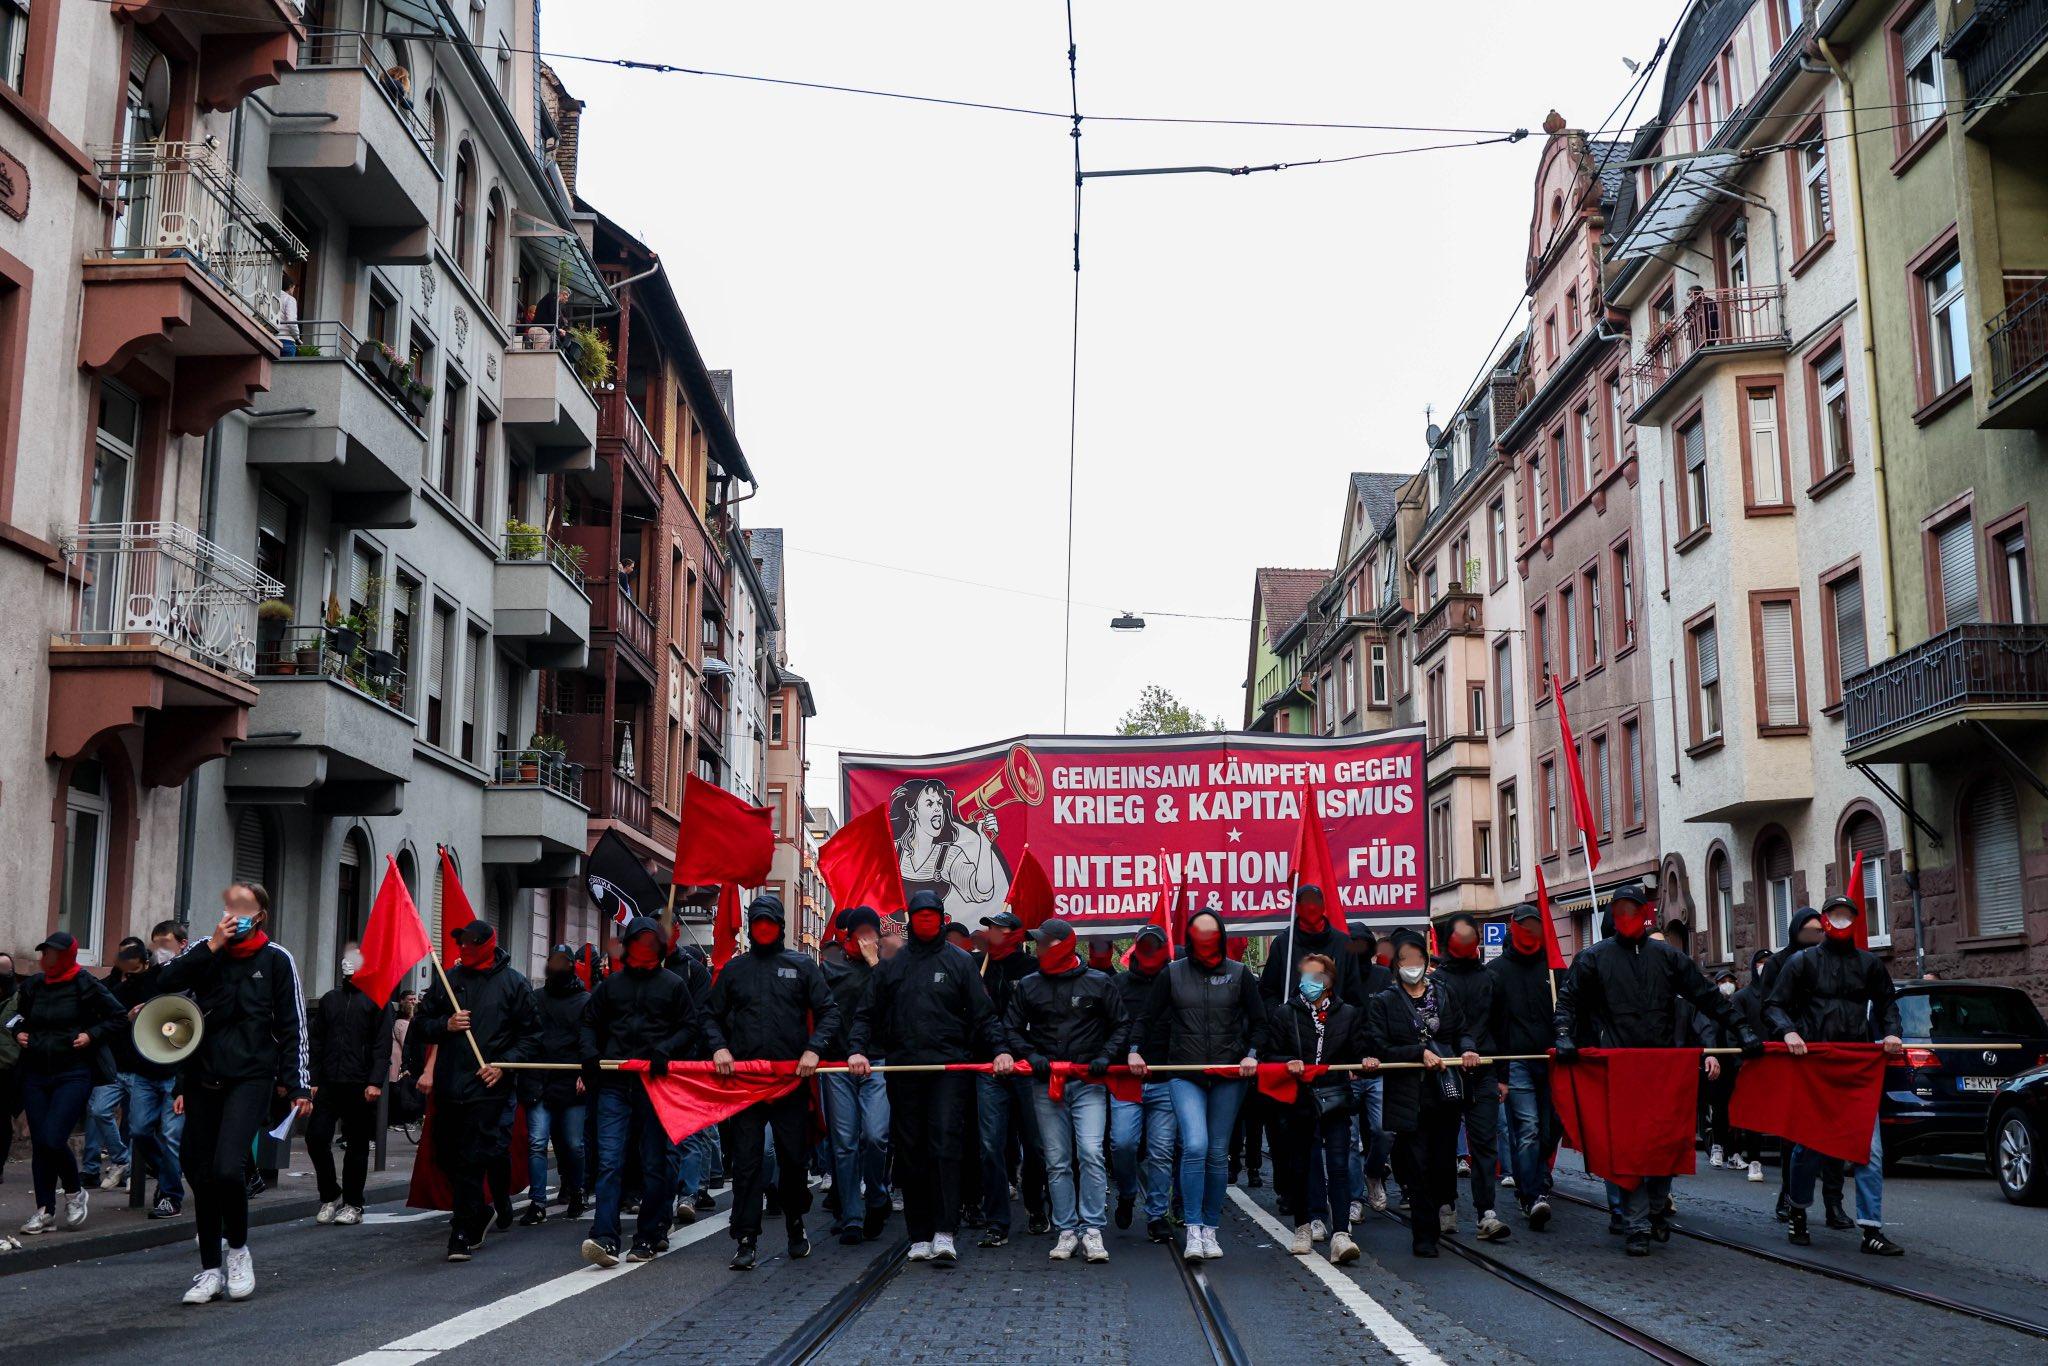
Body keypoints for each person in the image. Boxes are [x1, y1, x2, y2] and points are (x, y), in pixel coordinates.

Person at [1553, 883, 1759, 1256]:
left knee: (1663, 1145)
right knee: (1631, 1148)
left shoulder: (1667, 957)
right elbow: (1568, 1000)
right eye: (1622, 911)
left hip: (1664, 1067)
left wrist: (1741, 1027)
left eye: (1635, 910)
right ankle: (1636, 1224)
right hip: (1622, 1067)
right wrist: (1565, 1035)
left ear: (1644, 915)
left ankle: (1657, 1207)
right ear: (1614, 917)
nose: (1629, 918)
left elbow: (1705, 995)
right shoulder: (1594, 959)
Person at [155, 886, 311, 1303]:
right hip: (205, 1077)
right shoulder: (208, 952)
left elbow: (294, 1024)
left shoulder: (277, 959)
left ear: (260, 914)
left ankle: (238, 1250)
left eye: (244, 909)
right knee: (200, 1170)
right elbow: (164, 983)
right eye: (230, 906)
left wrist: (298, 1083)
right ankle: (209, 1270)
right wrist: (212, 946)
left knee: (228, 1168)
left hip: (251, 1078)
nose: (235, 914)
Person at [846, 889, 1014, 1266]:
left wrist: (1001, 1049)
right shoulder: (892, 965)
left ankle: (945, 1231)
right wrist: (857, 1048)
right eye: (918, 917)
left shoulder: (959, 962)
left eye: (931, 916)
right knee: (910, 1151)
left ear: (939, 919)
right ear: (911, 921)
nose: (925, 922)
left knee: (945, 1146)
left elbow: (983, 1014)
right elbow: (866, 1013)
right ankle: (918, 1234)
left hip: (948, 1071)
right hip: (905, 1070)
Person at [1765, 894, 1905, 1256]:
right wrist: (1788, 1032)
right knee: (1808, 1147)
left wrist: (1892, 1032)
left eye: (1847, 916)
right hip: (1817, 1066)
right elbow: (1774, 1005)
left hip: (1858, 1068)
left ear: (1855, 921)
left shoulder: (1870, 964)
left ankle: (1872, 1228)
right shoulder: (1802, 962)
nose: (1841, 921)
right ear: (1825, 920)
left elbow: (1888, 1003)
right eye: (1835, 915)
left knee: (1869, 1151)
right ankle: (1798, 1209)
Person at [704, 894, 837, 1271]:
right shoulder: (735, 970)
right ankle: (745, 1237)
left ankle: (796, 1223)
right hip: (746, 1082)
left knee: (793, 1160)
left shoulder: (802, 966)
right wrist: (719, 1049)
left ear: (780, 926)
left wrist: (814, 1050)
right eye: (758, 922)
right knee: (747, 1162)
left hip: (790, 1082)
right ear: (751, 925)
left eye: (770, 923)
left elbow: (829, 1012)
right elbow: (710, 1016)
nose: (764, 929)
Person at [1136, 908, 1267, 1265]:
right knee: (1195, 1144)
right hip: (1185, 1071)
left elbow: (1259, 1021)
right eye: (1200, 935)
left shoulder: (1240, 974)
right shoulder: (1173, 973)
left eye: (1212, 935)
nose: (1207, 943)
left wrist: (1252, 1053)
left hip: (1228, 1074)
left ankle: (1210, 1226)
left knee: (1216, 1152)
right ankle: (1193, 1226)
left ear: (1221, 937)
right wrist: (1135, 1051)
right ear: (1191, 938)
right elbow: (1147, 1017)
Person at [1003, 919, 1129, 1264]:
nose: (1038, 949)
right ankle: (1066, 1229)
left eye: (1044, 943)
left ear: (1062, 945)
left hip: (1087, 1082)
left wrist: (1104, 1056)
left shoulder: (1099, 982)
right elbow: (1011, 1027)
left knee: (1090, 1151)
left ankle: (1092, 1228)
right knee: (1056, 1159)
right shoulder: (1029, 985)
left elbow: (1121, 1024)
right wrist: (1033, 1056)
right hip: (1046, 1083)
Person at [415, 919, 540, 1262]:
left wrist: (504, 1064)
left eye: (471, 942)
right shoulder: (448, 982)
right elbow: (421, 1024)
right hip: (449, 1085)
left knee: (471, 1156)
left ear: (486, 943)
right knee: (446, 1155)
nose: (464, 948)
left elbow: (532, 1036)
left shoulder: (514, 984)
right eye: (460, 942)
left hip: (488, 1086)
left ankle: (461, 1230)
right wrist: (445, 1024)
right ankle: (479, 1211)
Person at [580, 915, 700, 1268]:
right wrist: (589, 1053)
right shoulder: (610, 987)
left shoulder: (674, 985)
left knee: (654, 1162)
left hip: (656, 1085)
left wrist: (667, 1049)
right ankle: (605, 1235)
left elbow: (689, 1027)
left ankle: (649, 1233)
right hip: (616, 1083)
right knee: (609, 1160)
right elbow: (590, 1023)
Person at [10, 932, 126, 1236]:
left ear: (66, 956)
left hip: (73, 1072)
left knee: (52, 1137)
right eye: (43, 953)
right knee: (42, 1144)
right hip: (36, 1071)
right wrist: (19, 1032)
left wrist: (91, 1035)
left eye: (51, 954)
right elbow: (17, 1017)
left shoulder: (85, 983)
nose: (44, 958)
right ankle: (45, 1211)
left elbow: (118, 1017)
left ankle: (74, 1192)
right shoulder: (34, 985)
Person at [1370, 929, 1473, 1258]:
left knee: (1443, 1163)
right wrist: (1417, 1053)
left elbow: (1461, 1031)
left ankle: (1444, 1203)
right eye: (1404, 959)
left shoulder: (1445, 994)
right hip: (1407, 1095)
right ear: (1395, 965)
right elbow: (1380, 1046)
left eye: (1417, 958)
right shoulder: (1383, 1002)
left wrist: (1468, 1050)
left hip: (1444, 1092)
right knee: (1417, 1164)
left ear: (1426, 961)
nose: (1411, 965)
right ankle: (1424, 1234)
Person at [1271, 952, 1367, 1266]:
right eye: (1304, 974)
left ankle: (1341, 1233)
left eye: (1315, 975)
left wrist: (1366, 1061)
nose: (1308, 981)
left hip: (1336, 1096)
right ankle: (1303, 1226)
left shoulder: (1348, 1014)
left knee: (1338, 1164)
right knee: (1300, 1163)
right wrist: (1287, 1062)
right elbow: (1270, 1054)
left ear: (1328, 979)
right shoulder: (1286, 1013)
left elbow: (1358, 1051)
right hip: (1299, 1098)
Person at [306, 943, 394, 1228]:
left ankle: (354, 1202)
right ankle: (330, 1194)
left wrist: (374, 1081)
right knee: (316, 1138)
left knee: (356, 1144)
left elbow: (383, 1045)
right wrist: (314, 1078)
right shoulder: (330, 1000)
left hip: (360, 1084)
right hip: (330, 1083)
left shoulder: (376, 1001)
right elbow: (316, 1042)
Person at [1431, 912, 1507, 1242]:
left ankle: (1485, 1211)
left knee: (1484, 1142)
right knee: (1445, 1142)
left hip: (1485, 1069)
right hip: (1447, 1070)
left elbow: (1500, 1026)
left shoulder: (1490, 979)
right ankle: (1446, 1203)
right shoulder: (1436, 982)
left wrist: (1502, 1075)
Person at [973, 908, 1047, 1245]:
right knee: (990, 1145)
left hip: (1026, 1067)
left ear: (1016, 934)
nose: (992, 933)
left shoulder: (1033, 970)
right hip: (988, 1066)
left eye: (1000, 928)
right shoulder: (976, 967)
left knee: (1035, 1143)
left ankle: (1035, 1205)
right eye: (989, 928)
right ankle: (997, 1220)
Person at [1489, 903, 1563, 1229]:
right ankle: (1532, 1194)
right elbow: (1491, 1023)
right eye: (1525, 926)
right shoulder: (1497, 972)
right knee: (1528, 1128)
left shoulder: (1553, 969)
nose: (1530, 931)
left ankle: (1537, 1178)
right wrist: (1498, 1073)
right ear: (1513, 928)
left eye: (1536, 925)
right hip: (1515, 1060)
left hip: (1550, 1060)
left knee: (1550, 1128)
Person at [820, 906, 891, 1245]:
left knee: (876, 1135)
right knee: (845, 1144)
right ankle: (851, 1215)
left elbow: (896, 1006)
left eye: (871, 932)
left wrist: (877, 964)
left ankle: (877, 1194)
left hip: (877, 1062)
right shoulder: (829, 971)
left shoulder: (887, 971)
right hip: (837, 1066)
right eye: (859, 932)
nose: (865, 939)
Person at [1109, 924, 1178, 1243]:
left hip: (1165, 1078)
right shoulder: (1118, 984)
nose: (1151, 952)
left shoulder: (1177, 982)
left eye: (1156, 946)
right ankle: (1127, 1192)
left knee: (1162, 1150)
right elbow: (1107, 1025)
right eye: (1145, 946)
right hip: (1126, 1079)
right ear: (1136, 948)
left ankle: (1156, 1214)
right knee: (1122, 1144)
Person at [106, 939, 185, 1218]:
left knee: (172, 1137)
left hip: (175, 1076)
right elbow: (111, 1020)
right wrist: (128, 1018)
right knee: (139, 1131)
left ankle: (170, 1195)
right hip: (145, 1073)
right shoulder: (128, 987)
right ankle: (169, 1179)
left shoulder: (176, 983)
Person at [521, 946, 589, 1226]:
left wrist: (586, 1072)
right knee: (537, 1143)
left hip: (572, 1082)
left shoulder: (585, 1001)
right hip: (539, 1080)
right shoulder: (535, 999)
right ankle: (537, 1202)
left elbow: (589, 1039)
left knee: (573, 1144)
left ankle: (577, 1191)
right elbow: (528, 1036)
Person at [1345, 927, 1396, 1219]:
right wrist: (1347, 1062)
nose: (1358, 948)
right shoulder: (1338, 980)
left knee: (1384, 1131)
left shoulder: (1382, 977)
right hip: (1349, 1070)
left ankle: (1373, 1173)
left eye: (1362, 943)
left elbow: (1389, 1019)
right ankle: (1353, 1197)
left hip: (1379, 1067)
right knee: (1349, 1139)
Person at [1260, 885, 1360, 1007]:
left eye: (1316, 901)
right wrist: (1280, 1016)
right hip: (1292, 1022)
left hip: (1335, 1023)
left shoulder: (1343, 943)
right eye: (1306, 902)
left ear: (1323, 906)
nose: (1312, 907)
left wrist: (1344, 1019)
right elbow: (1267, 992)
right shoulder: (1283, 943)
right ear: (1297, 907)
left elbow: (1355, 994)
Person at [1724, 948, 1774, 1182]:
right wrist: (1739, 1063)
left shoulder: (1781, 994)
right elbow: (1732, 1032)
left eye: (1769, 962)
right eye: (1761, 962)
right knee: (1754, 1116)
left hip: (1776, 1063)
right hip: (1751, 1064)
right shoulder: (1742, 997)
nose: (1765, 966)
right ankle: (1754, 1160)